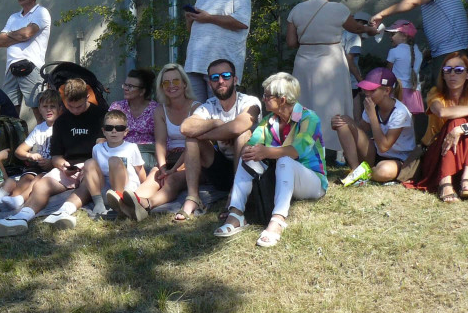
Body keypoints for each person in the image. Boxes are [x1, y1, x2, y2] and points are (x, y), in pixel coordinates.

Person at [213, 73, 327, 247]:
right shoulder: (268, 121)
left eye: (267, 96)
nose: (263, 99)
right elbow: (251, 145)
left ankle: (278, 220)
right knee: (248, 156)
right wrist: (250, 150)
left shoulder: (308, 118)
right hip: (282, 178)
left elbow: (296, 151)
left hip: (313, 182)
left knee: (285, 160)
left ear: (282, 100)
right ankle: (236, 213)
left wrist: (266, 151)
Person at [0, 78, 104, 235]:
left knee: (88, 182)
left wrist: (85, 167)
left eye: (79, 106)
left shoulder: (100, 115)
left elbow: (102, 149)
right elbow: (56, 155)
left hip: (92, 164)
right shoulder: (61, 121)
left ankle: (63, 212)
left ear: (87, 97)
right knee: (42, 185)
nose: (75, 110)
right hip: (67, 166)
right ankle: (21, 217)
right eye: (70, 106)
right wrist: (62, 165)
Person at [286, 0, 369, 154]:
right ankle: (339, 148)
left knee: (305, 102)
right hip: (331, 61)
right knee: (335, 104)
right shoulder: (339, 9)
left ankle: (304, 145)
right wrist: (370, 29)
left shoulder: (297, 10)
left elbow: (291, 42)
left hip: (305, 62)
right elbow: (356, 28)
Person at [0, 88, 63, 227]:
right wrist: (30, 155)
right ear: (39, 109)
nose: (48, 110)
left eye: (52, 106)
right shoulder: (39, 128)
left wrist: (52, 161)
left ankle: (14, 202)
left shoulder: (62, 127)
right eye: (45, 106)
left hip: (54, 166)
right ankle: (10, 202)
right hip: (36, 165)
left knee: (38, 180)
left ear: (60, 108)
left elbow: (65, 153)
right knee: (24, 179)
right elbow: (19, 151)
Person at [178, 59, 262, 220]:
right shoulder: (210, 105)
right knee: (191, 139)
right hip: (222, 171)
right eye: (215, 77)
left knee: (242, 135)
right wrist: (216, 123)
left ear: (235, 79)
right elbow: (185, 127)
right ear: (210, 83)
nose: (220, 81)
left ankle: (236, 196)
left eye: (226, 75)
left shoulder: (250, 102)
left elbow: (238, 126)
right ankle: (193, 198)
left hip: (250, 168)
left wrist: (217, 132)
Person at [119, 64, 199, 221]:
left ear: (184, 84)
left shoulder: (197, 108)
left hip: (193, 159)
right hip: (170, 157)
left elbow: (195, 143)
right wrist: (162, 168)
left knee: (172, 179)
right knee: (154, 177)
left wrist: (173, 170)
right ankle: (128, 203)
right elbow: (160, 142)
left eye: (175, 81)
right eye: (166, 83)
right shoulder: (160, 110)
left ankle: (147, 205)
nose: (171, 86)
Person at [405, 51, 468, 201]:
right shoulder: (435, 94)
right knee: (456, 120)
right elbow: (442, 112)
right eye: (447, 70)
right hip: (436, 153)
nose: (452, 74)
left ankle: (466, 176)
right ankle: (445, 181)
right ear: (443, 74)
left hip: (465, 153)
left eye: (458, 70)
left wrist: (461, 129)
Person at [370, 0, 468, 84]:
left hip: (452, 52)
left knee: (448, 100)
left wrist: (381, 14)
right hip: (448, 52)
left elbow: (412, 2)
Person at [183, 0, 252, 102]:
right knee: (198, 115)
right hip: (194, 64)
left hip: (220, 70)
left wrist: (209, 18)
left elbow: (242, 22)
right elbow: (193, 31)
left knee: (220, 113)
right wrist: (190, 19)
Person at [331, 67, 415, 185]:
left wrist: (372, 116)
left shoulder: (400, 112)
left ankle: (368, 173)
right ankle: (356, 171)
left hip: (398, 159)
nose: (367, 94)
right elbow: (360, 130)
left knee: (382, 171)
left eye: (372, 90)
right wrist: (339, 124)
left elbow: (384, 146)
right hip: (374, 154)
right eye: (366, 89)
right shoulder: (372, 105)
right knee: (343, 121)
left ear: (387, 90)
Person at [0, 0, 51, 123]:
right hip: (10, 69)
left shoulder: (41, 12)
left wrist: (11, 35)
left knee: (39, 110)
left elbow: (27, 34)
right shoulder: (13, 17)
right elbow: (0, 41)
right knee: (9, 113)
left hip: (31, 66)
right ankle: (16, 144)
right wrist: (20, 35)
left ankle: (45, 143)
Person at [108, 68, 159, 172]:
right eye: (125, 85)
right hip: (121, 152)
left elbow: (163, 140)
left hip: (147, 154)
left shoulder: (156, 110)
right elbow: (108, 131)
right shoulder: (117, 107)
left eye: (130, 86)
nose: (125, 88)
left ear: (142, 91)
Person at [384, 20, 424, 97]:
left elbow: (388, 72)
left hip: (398, 92)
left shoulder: (394, 51)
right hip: (415, 93)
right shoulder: (418, 52)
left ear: (404, 36)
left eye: (392, 34)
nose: (390, 37)